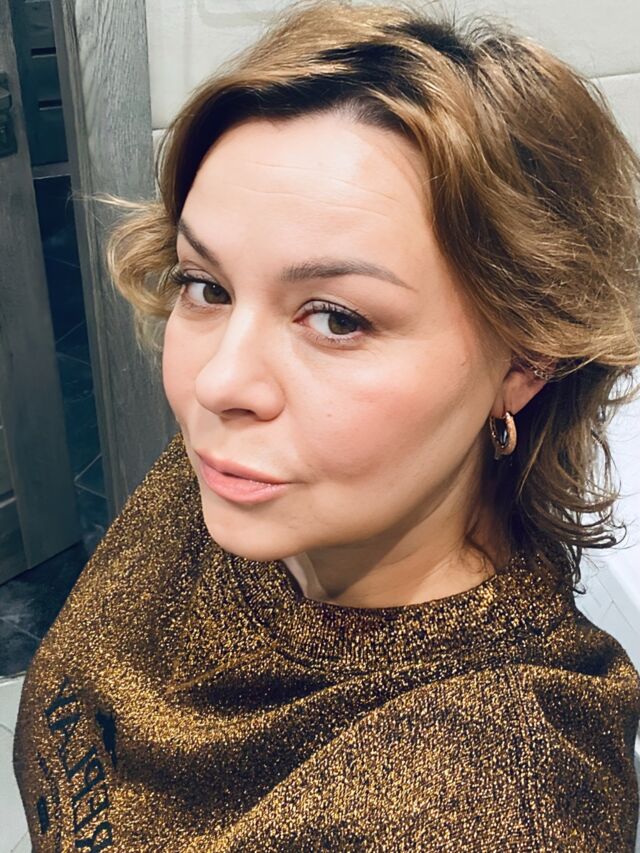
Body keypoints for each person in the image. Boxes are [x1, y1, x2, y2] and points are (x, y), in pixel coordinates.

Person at [13, 0, 640, 849]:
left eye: (338, 318)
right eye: (206, 286)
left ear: (526, 358)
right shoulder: (250, 483)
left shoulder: (497, 802)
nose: (218, 383)